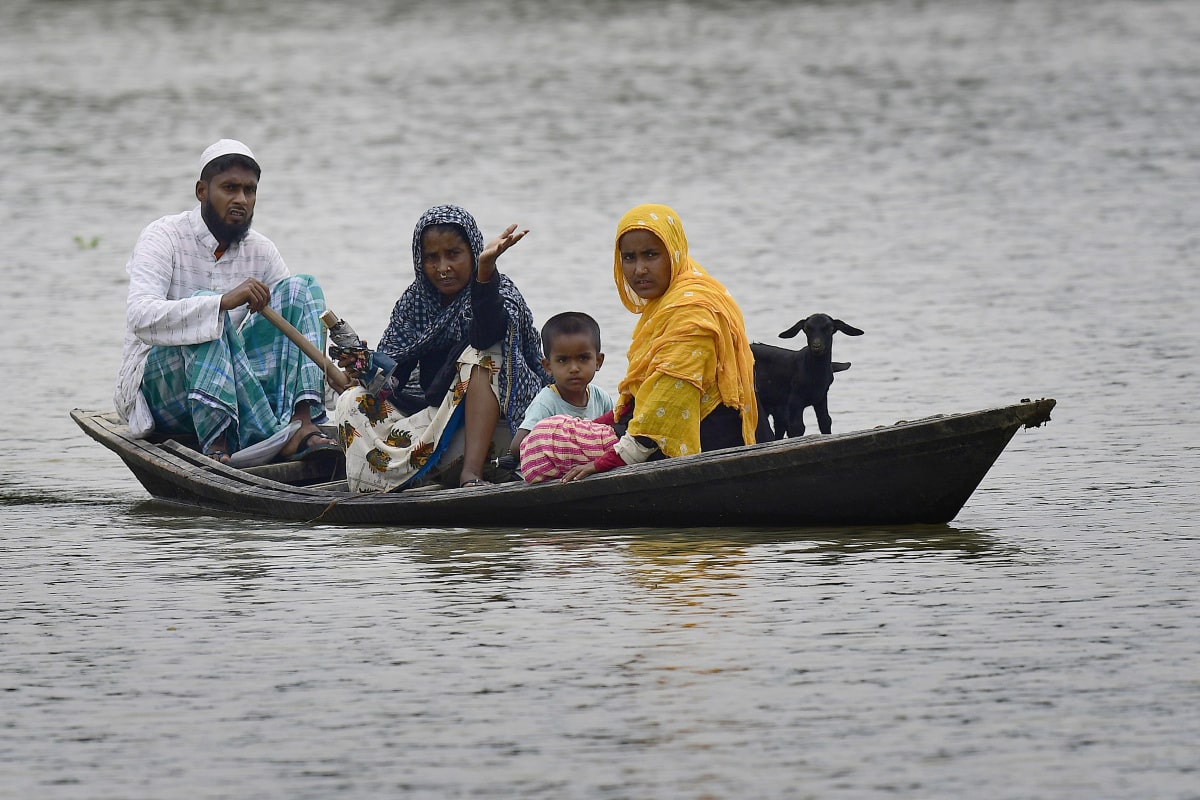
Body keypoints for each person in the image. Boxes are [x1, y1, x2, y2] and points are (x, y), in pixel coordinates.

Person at [114, 138, 337, 464]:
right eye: (230, 188)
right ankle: (217, 444)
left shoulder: (260, 250)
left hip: (230, 381)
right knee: (206, 314)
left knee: (301, 288)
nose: (241, 200)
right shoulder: (163, 237)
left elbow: (292, 329)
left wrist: (338, 371)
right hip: (162, 392)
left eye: (250, 190)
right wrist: (221, 303)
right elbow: (140, 317)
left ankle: (301, 423)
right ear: (202, 191)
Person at [334, 205, 550, 492]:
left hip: (497, 433)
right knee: (351, 400)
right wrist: (366, 368)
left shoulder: (500, 291)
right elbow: (395, 374)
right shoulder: (415, 302)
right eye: (432, 258)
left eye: (453, 254)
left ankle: (470, 474)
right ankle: (381, 482)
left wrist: (485, 273)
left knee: (482, 356)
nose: (443, 268)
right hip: (435, 420)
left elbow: (488, 335)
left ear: (472, 253)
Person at [558, 203, 762, 482]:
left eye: (651, 255)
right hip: (665, 431)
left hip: (708, 442)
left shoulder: (693, 311)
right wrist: (597, 425)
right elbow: (648, 397)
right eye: (629, 258)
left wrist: (606, 462)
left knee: (551, 445)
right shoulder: (665, 304)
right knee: (553, 433)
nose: (639, 269)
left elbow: (664, 406)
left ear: (674, 253)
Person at [510, 312, 616, 483]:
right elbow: (518, 446)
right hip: (555, 480)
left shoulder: (600, 397)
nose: (574, 368)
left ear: (598, 361)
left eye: (583, 358)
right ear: (547, 366)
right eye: (563, 360)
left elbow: (616, 430)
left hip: (591, 473)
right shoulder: (546, 402)